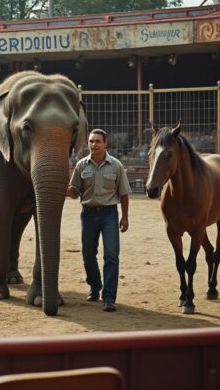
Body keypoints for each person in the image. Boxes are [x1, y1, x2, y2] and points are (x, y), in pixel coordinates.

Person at [67, 128, 130, 312]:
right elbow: (74, 191)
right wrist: (61, 188)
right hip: (87, 214)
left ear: (105, 144)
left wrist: (125, 217)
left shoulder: (116, 166)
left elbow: (124, 194)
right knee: (88, 255)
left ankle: (109, 297)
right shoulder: (81, 166)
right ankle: (95, 286)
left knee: (111, 255)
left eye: (98, 141)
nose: (94, 145)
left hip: (109, 214)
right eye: (91, 141)